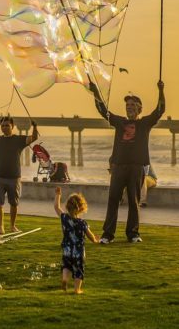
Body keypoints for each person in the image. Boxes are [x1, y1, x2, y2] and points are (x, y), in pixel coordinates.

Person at [89, 80, 165, 243]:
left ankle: (133, 234)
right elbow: (103, 110)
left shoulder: (144, 123)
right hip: (118, 167)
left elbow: (160, 110)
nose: (129, 107)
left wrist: (161, 90)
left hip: (137, 168)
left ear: (139, 108)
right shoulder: (120, 122)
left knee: (134, 201)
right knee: (113, 200)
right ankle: (107, 235)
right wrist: (96, 92)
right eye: (127, 105)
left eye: (132, 105)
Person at [0, 116, 38, 235]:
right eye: (3, 125)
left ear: (12, 126)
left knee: (14, 203)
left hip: (14, 177)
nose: (4, 127)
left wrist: (34, 127)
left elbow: (34, 137)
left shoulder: (19, 139)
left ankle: (13, 226)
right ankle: (0, 228)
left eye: (7, 125)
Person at [54, 187, 99, 294]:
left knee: (66, 266)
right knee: (79, 270)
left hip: (66, 250)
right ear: (81, 208)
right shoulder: (82, 223)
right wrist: (95, 240)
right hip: (78, 252)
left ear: (67, 206)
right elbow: (90, 236)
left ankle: (65, 279)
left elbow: (56, 207)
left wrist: (58, 195)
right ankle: (77, 289)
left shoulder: (64, 218)